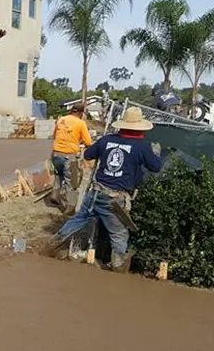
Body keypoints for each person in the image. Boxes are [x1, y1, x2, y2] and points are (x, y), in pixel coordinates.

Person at [44, 107, 163, 272]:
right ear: (139, 127)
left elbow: (88, 155)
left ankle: (52, 245)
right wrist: (155, 153)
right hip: (115, 198)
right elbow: (156, 167)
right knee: (119, 234)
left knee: (77, 220)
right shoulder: (142, 147)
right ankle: (118, 266)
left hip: (95, 193)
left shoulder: (106, 140)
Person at [50, 101, 93, 208]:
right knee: (71, 180)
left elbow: (54, 135)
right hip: (69, 155)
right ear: (80, 113)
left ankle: (55, 195)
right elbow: (88, 142)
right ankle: (70, 206)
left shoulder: (61, 119)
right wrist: (80, 141)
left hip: (56, 154)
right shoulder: (80, 123)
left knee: (58, 174)